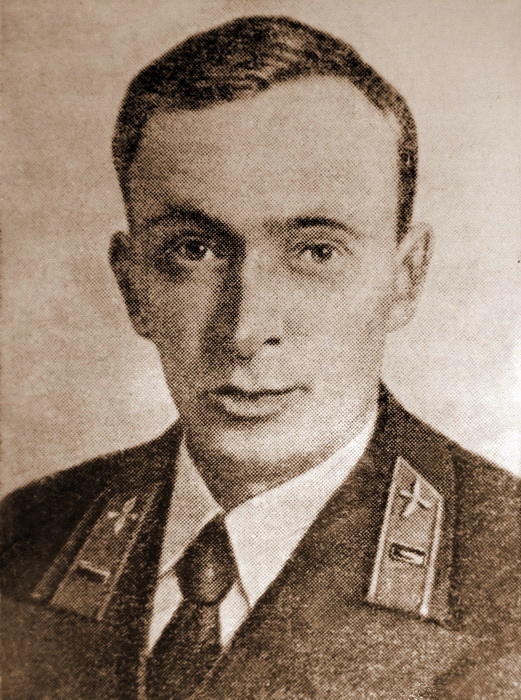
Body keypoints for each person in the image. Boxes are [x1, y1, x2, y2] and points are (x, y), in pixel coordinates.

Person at [1, 15, 519, 700]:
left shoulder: (507, 568)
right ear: (133, 287)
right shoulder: (25, 536)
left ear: (405, 278)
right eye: (193, 250)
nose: (245, 329)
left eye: (316, 252)